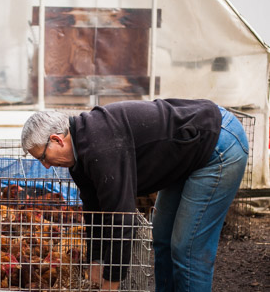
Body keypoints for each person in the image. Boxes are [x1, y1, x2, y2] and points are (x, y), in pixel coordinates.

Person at [21, 98, 248, 292]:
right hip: (188, 149)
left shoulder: (100, 147)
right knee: (162, 237)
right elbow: (95, 209)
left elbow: (122, 217)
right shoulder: (79, 157)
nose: (46, 166)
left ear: (57, 140)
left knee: (186, 249)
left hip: (218, 144)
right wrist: (96, 260)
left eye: (42, 156)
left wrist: (111, 281)